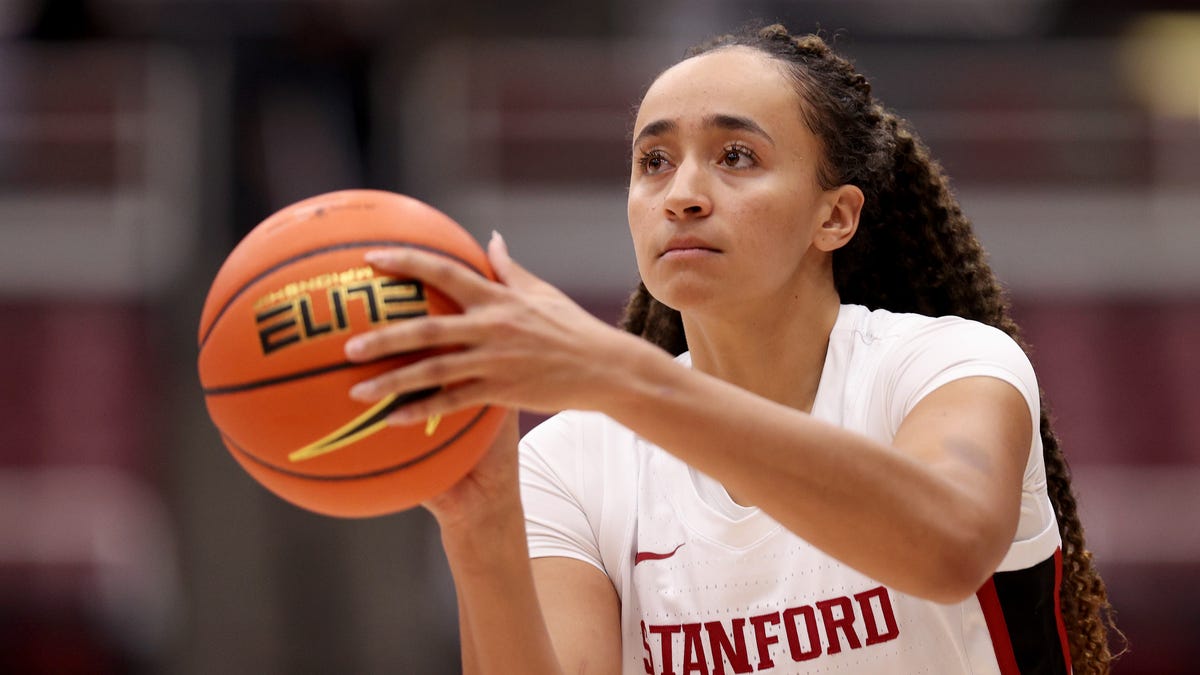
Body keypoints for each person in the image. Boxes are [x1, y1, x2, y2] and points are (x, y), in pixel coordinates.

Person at [343, 23, 1119, 675]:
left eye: (736, 157)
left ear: (835, 217)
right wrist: (478, 523)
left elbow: (947, 548)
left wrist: (620, 376)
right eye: (654, 161)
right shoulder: (572, 463)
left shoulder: (943, 368)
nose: (682, 192)